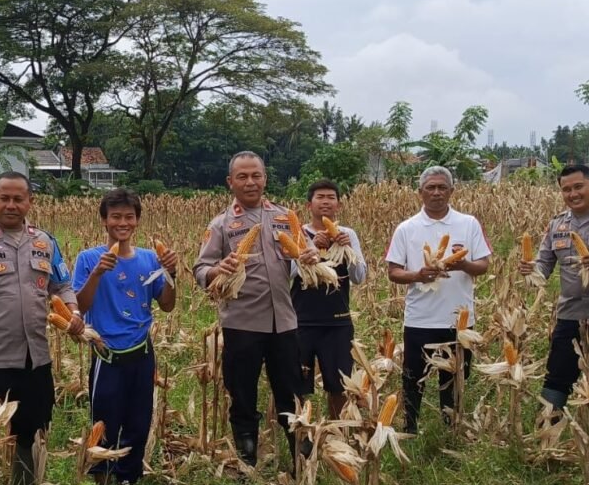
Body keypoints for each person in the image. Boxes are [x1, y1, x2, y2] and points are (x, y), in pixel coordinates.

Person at [0, 171, 83, 485]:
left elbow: (62, 285)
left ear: (30, 202)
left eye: (18, 199)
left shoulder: (45, 241)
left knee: (33, 428)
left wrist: (73, 312)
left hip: (35, 358)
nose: (11, 205)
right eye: (4, 198)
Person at [193, 151, 316, 467]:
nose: (250, 182)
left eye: (256, 175)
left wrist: (310, 256)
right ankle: (246, 462)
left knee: (292, 392)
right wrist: (218, 269)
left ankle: (302, 460)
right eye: (243, 177)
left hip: (284, 322)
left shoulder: (285, 216)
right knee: (243, 394)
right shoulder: (221, 225)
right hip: (242, 324)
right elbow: (200, 269)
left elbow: (308, 251)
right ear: (230, 182)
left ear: (265, 178)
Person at [73, 188, 177, 485]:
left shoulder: (150, 259)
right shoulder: (88, 258)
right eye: (115, 217)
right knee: (104, 423)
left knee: (139, 422)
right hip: (107, 355)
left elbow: (167, 305)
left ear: (137, 221)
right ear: (104, 221)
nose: (123, 223)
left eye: (129, 217)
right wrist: (97, 274)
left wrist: (171, 273)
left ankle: (129, 479)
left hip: (142, 353)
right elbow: (79, 307)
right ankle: (100, 481)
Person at [385, 166, 492, 433]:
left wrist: (463, 264)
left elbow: (483, 265)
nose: (436, 192)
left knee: (455, 378)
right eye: (430, 187)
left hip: (459, 322)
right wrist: (418, 275)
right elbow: (393, 271)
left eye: (442, 187)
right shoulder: (407, 228)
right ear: (420, 192)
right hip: (420, 320)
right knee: (413, 378)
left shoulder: (468, 224)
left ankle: (451, 430)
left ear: (451, 191)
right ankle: (410, 428)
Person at [519, 164, 589, 411]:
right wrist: (531, 270)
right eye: (566, 189)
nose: (573, 194)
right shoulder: (557, 225)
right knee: (557, 378)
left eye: (578, 187)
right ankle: (547, 427)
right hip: (570, 315)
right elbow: (544, 264)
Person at [292, 179, 367, 419]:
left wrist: (348, 250)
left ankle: (336, 431)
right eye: (320, 197)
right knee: (297, 384)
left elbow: (359, 277)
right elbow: (286, 275)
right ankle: (300, 432)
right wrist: (311, 247)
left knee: (339, 385)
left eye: (331, 198)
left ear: (339, 205)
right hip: (301, 320)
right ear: (309, 205)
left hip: (338, 321)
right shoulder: (297, 234)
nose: (326, 202)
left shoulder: (349, 234)